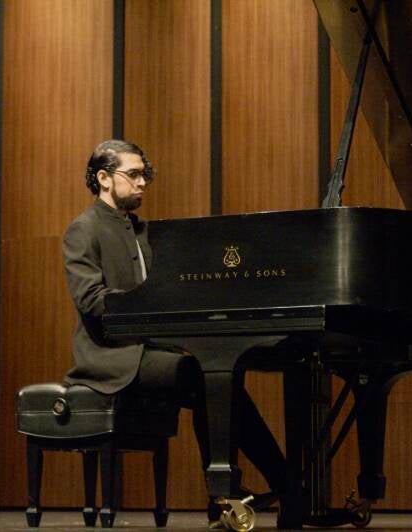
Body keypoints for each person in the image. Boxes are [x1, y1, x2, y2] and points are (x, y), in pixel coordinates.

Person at [61, 139, 287, 516]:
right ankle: (273, 486)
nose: (142, 183)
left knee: (222, 376)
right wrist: (148, 304)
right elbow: (91, 300)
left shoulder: (145, 231)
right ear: (103, 178)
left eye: (144, 175)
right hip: (111, 358)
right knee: (206, 377)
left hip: (152, 351)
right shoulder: (82, 230)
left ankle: (233, 493)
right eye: (133, 174)